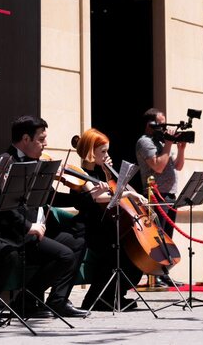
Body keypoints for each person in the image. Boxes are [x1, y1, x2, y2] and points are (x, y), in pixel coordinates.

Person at [0, 115, 88, 318]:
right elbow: (4, 208)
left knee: (77, 241)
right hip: (17, 232)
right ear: (25, 139)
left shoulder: (38, 162)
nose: (46, 144)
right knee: (64, 254)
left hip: (40, 228)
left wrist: (84, 197)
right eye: (41, 139)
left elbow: (47, 198)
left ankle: (57, 300)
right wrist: (29, 226)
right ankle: (26, 300)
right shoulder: (4, 161)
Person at [74, 129, 144, 311]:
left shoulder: (99, 173)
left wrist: (107, 173)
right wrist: (125, 193)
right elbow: (97, 198)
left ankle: (114, 296)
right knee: (120, 254)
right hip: (91, 228)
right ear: (91, 151)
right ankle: (95, 300)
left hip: (105, 227)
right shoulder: (81, 173)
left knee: (132, 256)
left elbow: (109, 192)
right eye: (103, 151)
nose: (107, 155)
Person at [135, 108, 186, 287]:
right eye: (161, 124)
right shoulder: (145, 142)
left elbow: (178, 166)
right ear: (150, 125)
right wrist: (169, 144)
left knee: (167, 239)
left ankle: (164, 274)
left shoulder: (162, 142)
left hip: (170, 196)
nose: (165, 127)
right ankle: (153, 275)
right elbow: (158, 166)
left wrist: (180, 149)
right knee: (156, 239)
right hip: (155, 197)